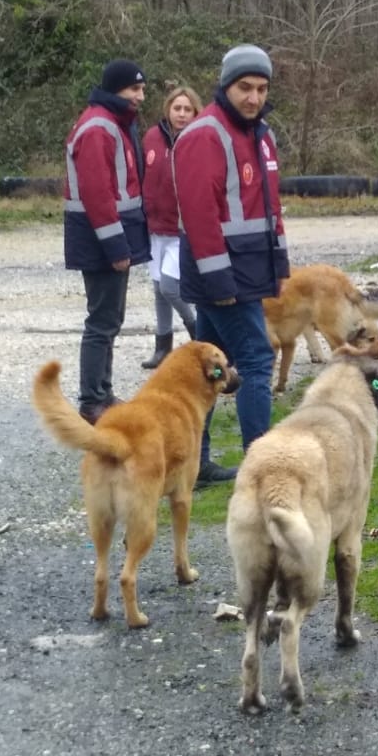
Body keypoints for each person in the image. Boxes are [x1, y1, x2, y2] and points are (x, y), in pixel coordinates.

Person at [172, 44, 289, 485]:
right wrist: (219, 280)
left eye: (261, 89)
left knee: (207, 367)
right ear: (225, 85)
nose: (254, 98)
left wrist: (278, 264)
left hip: (247, 271)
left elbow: (270, 209)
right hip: (223, 276)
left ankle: (194, 465)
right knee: (257, 359)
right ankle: (260, 466)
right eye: (245, 88)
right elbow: (201, 216)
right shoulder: (204, 135)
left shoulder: (262, 135)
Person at [63, 58, 150, 424]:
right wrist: (117, 248)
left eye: (142, 89)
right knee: (102, 322)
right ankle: (92, 401)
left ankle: (103, 393)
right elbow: (99, 195)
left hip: (106, 241)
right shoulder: (100, 127)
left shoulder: (112, 122)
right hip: (102, 244)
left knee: (110, 319)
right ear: (117, 90)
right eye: (135, 89)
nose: (141, 97)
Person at [139, 85, 201, 369]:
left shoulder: (200, 139)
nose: (182, 114)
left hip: (182, 228)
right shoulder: (152, 137)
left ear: (195, 112)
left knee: (170, 286)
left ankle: (198, 332)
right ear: (168, 109)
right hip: (155, 225)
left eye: (188, 109)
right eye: (177, 108)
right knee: (157, 288)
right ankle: (162, 345)